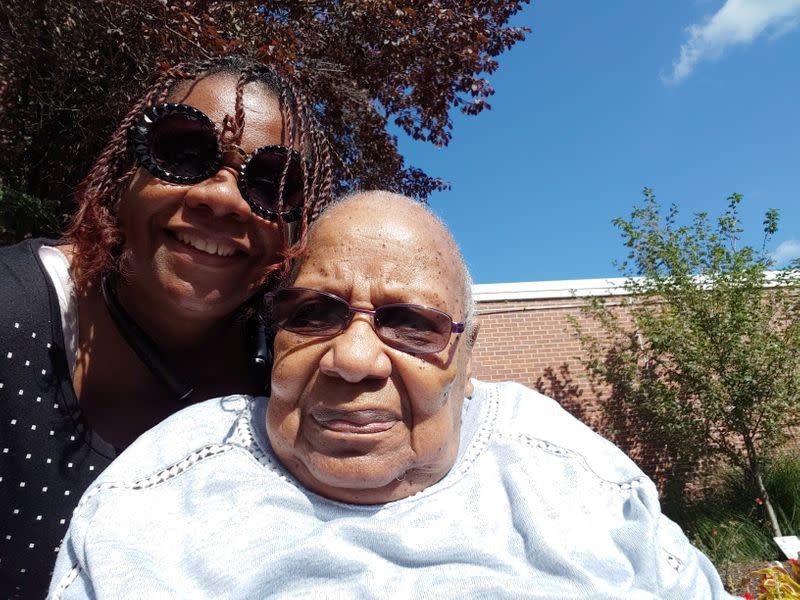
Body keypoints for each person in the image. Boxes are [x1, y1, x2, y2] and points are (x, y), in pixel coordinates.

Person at [49, 192, 734, 599]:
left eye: (410, 323)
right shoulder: (164, 489)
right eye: (313, 314)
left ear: (469, 358)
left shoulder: (568, 473)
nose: (351, 359)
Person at [0, 55, 333, 597]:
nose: (222, 198)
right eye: (184, 151)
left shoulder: (288, 374)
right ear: (123, 174)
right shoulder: (11, 312)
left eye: (272, 184)